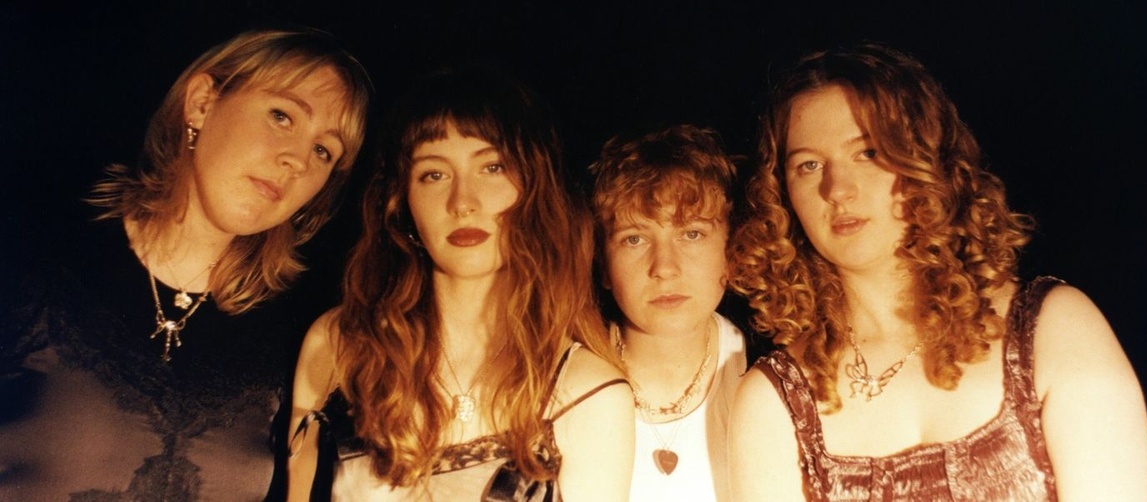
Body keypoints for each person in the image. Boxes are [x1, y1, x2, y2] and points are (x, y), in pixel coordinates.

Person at [727, 43, 1147, 501]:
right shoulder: (773, 402)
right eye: (809, 165)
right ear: (781, 195)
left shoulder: (1055, 330)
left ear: (924, 160)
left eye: (868, 152)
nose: (838, 189)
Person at [0, 28, 371, 500]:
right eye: (282, 116)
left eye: (324, 151)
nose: (297, 159)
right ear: (201, 103)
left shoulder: (302, 337)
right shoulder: (35, 255)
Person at [288, 66, 634, 501]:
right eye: (434, 174)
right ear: (403, 202)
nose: (462, 202)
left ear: (534, 189)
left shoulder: (588, 391)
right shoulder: (340, 345)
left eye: (492, 167)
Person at [588, 125, 757, 502]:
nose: (664, 267)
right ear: (603, 265)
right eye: (634, 239)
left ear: (730, 248)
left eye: (691, 234)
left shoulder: (766, 367)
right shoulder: (569, 378)